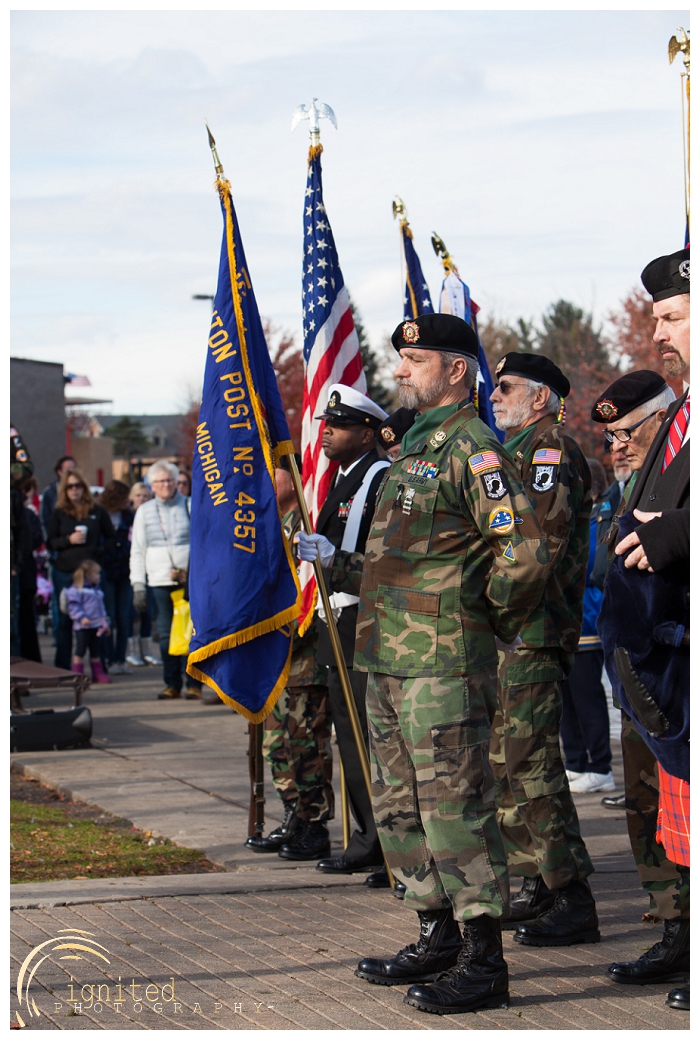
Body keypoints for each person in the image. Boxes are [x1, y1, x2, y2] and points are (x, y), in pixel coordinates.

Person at [352, 314, 549, 1015]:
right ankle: (435, 934)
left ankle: (484, 961)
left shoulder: (474, 451)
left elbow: (523, 557)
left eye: (414, 359)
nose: (400, 371)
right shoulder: (413, 446)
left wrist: (479, 616)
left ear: (457, 369)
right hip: (386, 657)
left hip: (440, 664)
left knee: (454, 810)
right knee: (399, 807)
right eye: (400, 359)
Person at [595, 251, 690, 1012]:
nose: (659, 330)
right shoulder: (679, 424)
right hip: (659, 649)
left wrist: (674, 534)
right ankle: (678, 931)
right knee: (662, 802)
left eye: (674, 314)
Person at [486, 352, 598, 947]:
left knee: (532, 765)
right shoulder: (519, 451)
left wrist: (486, 605)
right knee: (508, 764)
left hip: (532, 629)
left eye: (506, 388)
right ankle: (538, 884)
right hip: (513, 634)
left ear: (541, 398)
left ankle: (572, 897)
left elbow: (538, 550)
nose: (494, 395)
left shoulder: (549, 449)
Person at [295, 383, 390, 879]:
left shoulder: (379, 478)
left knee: (370, 736)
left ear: (368, 432)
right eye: (326, 425)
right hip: (337, 617)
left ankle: (386, 842)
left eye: (340, 426)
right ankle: (368, 836)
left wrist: (334, 558)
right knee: (348, 735)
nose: (327, 433)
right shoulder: (344, 480)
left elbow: (386, 559)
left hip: (365, 620)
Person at [246, 454, 335, 860]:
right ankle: (293, 816)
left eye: (274, 472)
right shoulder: (272, 524)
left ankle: (313, 825)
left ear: (294, 477)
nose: (267, 480)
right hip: (277, 656)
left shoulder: (306, 522)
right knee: (277, 744)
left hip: (303, 654)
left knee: (305, 744)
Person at [559, 458, 614, 794]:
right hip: (567, 622)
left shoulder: (598, 519)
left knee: (588, 699)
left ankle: (601, 765)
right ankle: (577, 762)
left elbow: (591, 562)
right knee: (567, 700)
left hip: (588, 621)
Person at [130, 460, 201, 700]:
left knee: (193, 631)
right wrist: (138, 584)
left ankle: (194, 683)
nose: (167, 485)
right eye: (161, 481)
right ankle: (172, 683)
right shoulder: (144, 511)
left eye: (171, 480)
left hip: (190, 578)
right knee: (165, 632)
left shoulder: (191, 505)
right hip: (159, 579)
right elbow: (138, 550)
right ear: (152, 485)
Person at [46, 468, 114, 670]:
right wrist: (68, 540)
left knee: (97, 621)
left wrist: (98, 553)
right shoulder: (59, 513)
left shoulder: (97, 511)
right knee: (65, 621)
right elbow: (50, 542)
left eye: (78, 486)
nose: (74, 490)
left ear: (84, 488)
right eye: (70, 486)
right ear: (64, 490)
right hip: (66, 573)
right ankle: (63, 667)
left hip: (91, 575)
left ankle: (99, 666)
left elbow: (111, 538)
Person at [99, 480, 135, 674]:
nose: (127, 501)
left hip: (125, 571)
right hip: (106, 570)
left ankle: (120, 659)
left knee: (124, 617)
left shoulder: (129, 516)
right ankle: (108, 658)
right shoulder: (100, 514)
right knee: (108, 617)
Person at [64, 559, 112, 683]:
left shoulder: (97, 591)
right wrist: (81, 618)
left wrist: (105, 625)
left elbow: (102, 610)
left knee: (96, 651)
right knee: (80, 650)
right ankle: (78, 675)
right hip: (83, 627)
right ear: (88, 575)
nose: (99, 576)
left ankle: (98, 673)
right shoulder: (77, 590)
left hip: (96, 626)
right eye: (97, 573)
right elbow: (73, 607)